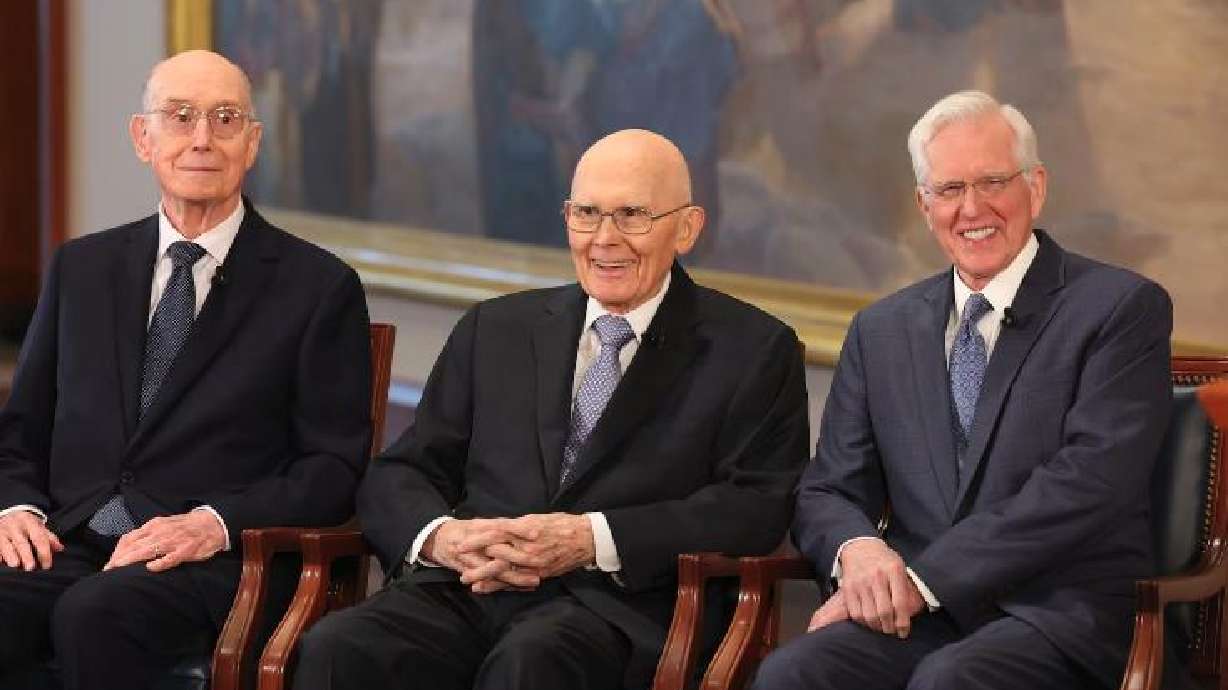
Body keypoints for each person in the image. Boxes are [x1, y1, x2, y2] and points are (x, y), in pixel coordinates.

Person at [294, 129, 809, 690]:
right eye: (586, 213)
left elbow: (755, 506)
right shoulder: (496, 328)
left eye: (632, 215)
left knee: (532, 661)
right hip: (471, 588)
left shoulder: (753, 349)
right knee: (339, 648)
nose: (604, 239)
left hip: (620, 607)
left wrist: (592, 538)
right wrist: (441, 537)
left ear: (686, 228)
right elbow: (405, 469)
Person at [752, 90, 1187, 690]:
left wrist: (924, 581)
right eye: (950, 189)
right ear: (924, 205)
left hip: (1061, 615)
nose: (972, 208)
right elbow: (829, 487)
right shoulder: (881, 330)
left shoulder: (1120, 309)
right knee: (793, 673)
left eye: (993, 182)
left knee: (951, 680)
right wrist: (857, 549)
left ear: (1035, 187)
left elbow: (1090, 481)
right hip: (923, 618)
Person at [0, 50, 371, 690]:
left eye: (225, 119)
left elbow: (332, 467)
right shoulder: (81, 268)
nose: (202, 139)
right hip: (72, 536)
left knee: (94, 614)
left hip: (214, 556)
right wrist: (16, 508)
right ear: (143, 138)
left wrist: (213, 523)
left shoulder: (318, 288)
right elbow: (21, 429)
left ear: (252, 143)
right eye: (179, 116)